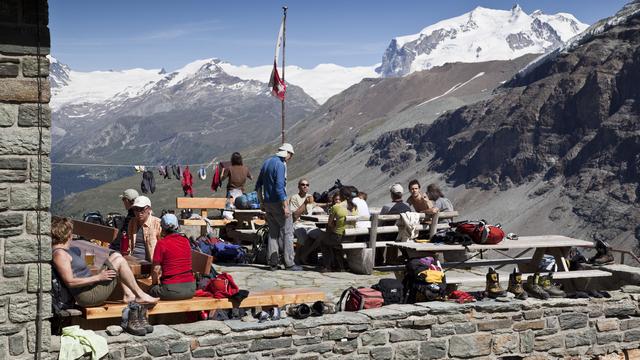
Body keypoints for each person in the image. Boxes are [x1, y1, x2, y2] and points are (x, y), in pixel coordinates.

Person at [51, 216, 158, 307]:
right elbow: (70, 282)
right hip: (88, 295)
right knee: (120, 261)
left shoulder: (63, 250)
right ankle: (140, 295)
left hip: (90, 286)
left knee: (116, 256)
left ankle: (128, 294)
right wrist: (98, 277)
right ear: (68, 234)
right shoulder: (60, 254)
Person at [255, 143, 301, 271]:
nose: (290, 158)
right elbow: (280, 187)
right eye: (290, 155)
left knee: (273, 233)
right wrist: (285, 206)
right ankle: (289, 262)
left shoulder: (267, 162)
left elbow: (258, 185)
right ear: (287, 153)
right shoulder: (280, 165)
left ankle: (273, 262)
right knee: (288, 232)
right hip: (278, 203)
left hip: (268, 203)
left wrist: (262, 202)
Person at [149, 214, 196, 300]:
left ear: (162, 229)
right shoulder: (186, 241)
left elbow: (155, 270)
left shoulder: (161, 243)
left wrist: (155, 284)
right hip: (191, 289)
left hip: (171, 290)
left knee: (150, 290)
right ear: (177, 227)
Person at [319, 187, 359, 272]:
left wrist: (335, 227)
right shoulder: (355, 207)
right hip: (352, 237)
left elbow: (330, 223)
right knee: (335, 245)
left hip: (340, 237)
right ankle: (340, 266)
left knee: (324, 242)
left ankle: (327, 266)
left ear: (341, 196)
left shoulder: (337, 207)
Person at [290, 179, 324, 265]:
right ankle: (297, 257)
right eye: (303, 184)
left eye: (307, 185)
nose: (305, 186)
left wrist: (328, 204)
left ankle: (305, 255)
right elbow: (295, 215)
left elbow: (315, 204)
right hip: (298, 223)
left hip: (310, 224)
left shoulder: (310, 196)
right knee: (302, 236)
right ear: (298, 186)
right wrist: (305, 203)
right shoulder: (294, 198)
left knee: (322, 236)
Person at [126, 196, 162, 262]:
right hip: (132, 257)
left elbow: (163, 246)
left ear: (149, 209)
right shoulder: (132, 222)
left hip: (148, 261)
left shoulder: (157, 224)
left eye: (142, 209)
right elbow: (129, 243)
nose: (139, 212)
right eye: (136, 209)